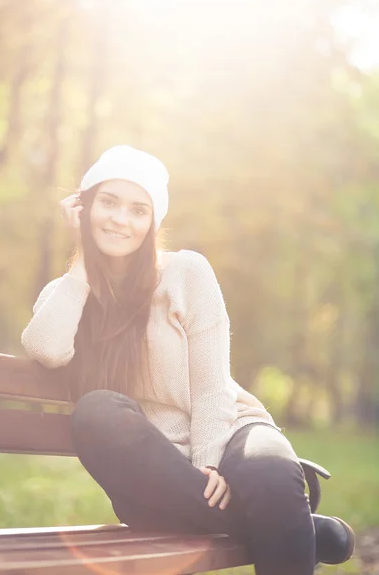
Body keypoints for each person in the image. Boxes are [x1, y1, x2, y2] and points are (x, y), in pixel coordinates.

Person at [21, 145, 355, 575]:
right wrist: (83, 260)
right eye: (108, 202)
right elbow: (47, 349)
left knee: (271, 471)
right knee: (96, 410)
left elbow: (212, 383)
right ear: (83, 208)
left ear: (152, 223)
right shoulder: (67, 293)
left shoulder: (185, 274)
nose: (121, 219)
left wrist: (208, 462)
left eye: (138, 210)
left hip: (227, 431)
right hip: (154, 482)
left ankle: (278, 506)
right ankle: (296, 525)